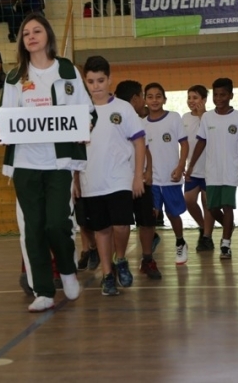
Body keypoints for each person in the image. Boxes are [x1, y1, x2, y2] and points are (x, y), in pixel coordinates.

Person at [0, 12, 95, 312]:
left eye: (37, 31)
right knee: (33, 228)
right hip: (25, 164)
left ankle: (66, 270)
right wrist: (0, 130)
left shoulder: (67, 71)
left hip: (59, 163)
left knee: (56, 223)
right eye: (26, 33)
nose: (31, 36)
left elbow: (87, 111)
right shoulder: (14, 77)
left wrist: (84, 129)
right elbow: (3, 117)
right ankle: (43, 291)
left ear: (48, 36)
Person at [74, 57, 144, 296]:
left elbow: (139, 141)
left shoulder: (123, 108)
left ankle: (121, 259)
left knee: (122, 225)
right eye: (91, 81)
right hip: (90, 180)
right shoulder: (79, 111)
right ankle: (107, 275)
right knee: (101, 229)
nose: (96, 86)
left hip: (119, 177)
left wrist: (137, 177)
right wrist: (75, 181)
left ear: (109, 79)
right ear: (85, 82)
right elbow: (73, 150)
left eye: (101, 80)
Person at [187, 78, 238, 259]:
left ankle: (226, 244)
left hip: (231, 171)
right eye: (216, 95)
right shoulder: (208, 117)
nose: (219, 98)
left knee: (227, 206)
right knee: (211, 206)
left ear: (231, 96)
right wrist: (191, 165)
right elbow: (201, 142)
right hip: (212, 171)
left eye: (223, 94)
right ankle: (227, 225)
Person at [114, 79, 162, 280]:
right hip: (120, 181)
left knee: (148, 222)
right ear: (135, 99)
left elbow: (147, 149)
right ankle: (118, 262)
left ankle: (147, 260)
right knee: (118, 225)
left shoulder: (140, 120)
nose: (144, 101)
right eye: (143, 96)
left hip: (140, 180)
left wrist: (149, 171)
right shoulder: (114, 120)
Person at [143, 82, 189, 265]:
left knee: (172, 214)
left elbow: (184, 144)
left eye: (158, 96)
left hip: (171, 177)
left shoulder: (174, 118)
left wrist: (180, 167)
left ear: (164, 99)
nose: (154, 100)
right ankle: (149, 248)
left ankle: (180, 242)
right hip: (151, 179)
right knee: (150, 214)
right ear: (145, 100)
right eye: (150, 96)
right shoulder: (141, 123)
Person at [182, 85, 215, 252]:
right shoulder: (185, 118)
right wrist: (182, 163)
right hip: (192, 170)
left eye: (195, 98)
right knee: (188, 200)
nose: (191, 101)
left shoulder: (211, 117)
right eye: (189, 98)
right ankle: (203, 227)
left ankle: (207, 237)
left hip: (209, 170)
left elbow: (212, 137)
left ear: (204, 100)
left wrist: (203, 115)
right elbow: (183, 143)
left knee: (207, 202)